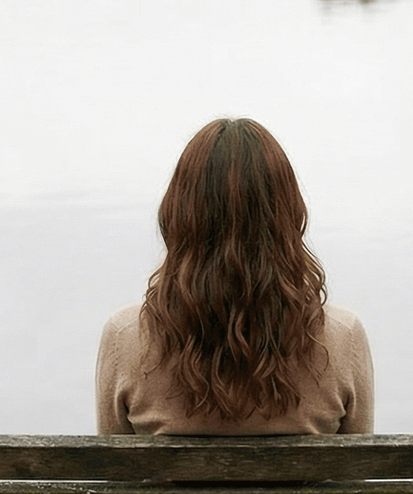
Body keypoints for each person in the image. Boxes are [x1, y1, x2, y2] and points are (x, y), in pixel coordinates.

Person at [96, 117, 373, 435]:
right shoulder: (342, 337)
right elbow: (352, 475)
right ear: (286, 215)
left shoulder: (126, 337)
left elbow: (116, 471)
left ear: (179, 214)